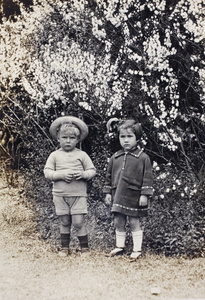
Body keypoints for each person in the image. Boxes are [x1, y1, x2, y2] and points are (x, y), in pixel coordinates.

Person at [44, 116, 96, 256]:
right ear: (58, 138)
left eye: (72, 138)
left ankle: (84, 248)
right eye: (64, 137)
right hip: (60, 195)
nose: (68, 141)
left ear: (78, 139)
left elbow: (92, 170)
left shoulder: (82, 155)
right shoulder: (54, 155)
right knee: (65, 221)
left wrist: (84, 175)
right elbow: (47, 172)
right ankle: (65, 247)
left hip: (78, 195)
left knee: (78, 222)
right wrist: (60, 175)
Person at [103, 119, 153, 259]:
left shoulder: (143, 158)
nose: (126, 140)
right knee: (118, 220)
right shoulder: (115, 157)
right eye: (122, 136)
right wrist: (107, 192)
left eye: (129, 136)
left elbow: (147, 177)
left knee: (133, 221)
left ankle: (137, 249)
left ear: (137, 138)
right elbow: (109, 176)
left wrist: (144, 195)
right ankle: (120, 246)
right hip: (118, 193)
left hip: (134, 194)